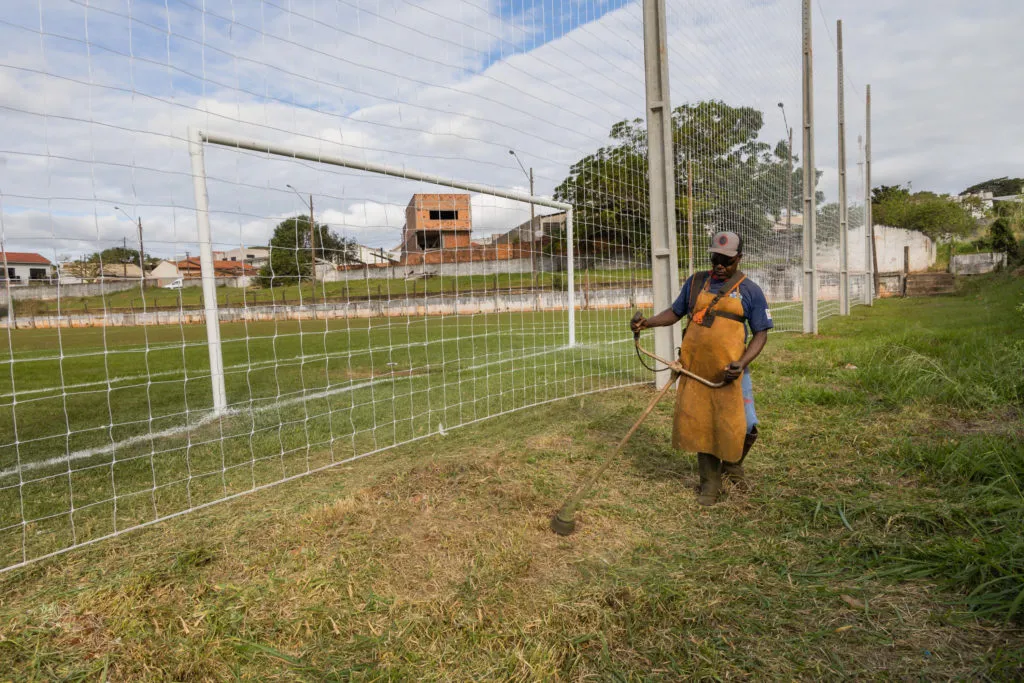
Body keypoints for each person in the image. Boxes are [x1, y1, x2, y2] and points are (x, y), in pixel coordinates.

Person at [631, 231, 772, 505]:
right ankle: (710, 483)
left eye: (727, 260)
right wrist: (647, 323)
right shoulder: (696, 283)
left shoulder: (750, 291)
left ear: (739, 259)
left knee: (748, 425)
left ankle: (732, 465)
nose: (720, 265)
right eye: (716, 258)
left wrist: (741, 364)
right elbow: (676, 312)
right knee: (703, 425)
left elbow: (761, 334)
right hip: (696, 371)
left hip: (731, 373)